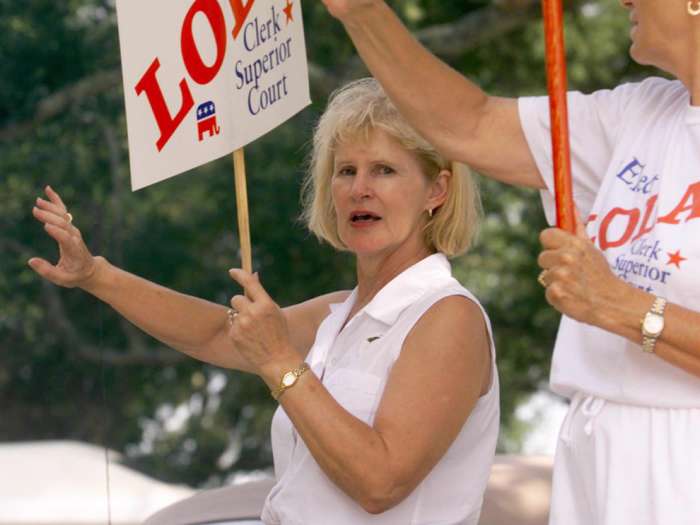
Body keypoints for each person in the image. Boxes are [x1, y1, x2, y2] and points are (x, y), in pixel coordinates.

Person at [29, 78, 499, 525]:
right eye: (345, 170)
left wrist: (278, 360)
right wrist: (95, 275)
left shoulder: (447, 316)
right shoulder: (339, 313)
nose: (360, 188)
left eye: (384, 170)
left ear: (436, 190)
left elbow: (380, 481)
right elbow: (217, 333)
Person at [320, 1, 700, 524]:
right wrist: (362, 13)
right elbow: (470, 125)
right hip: (596, 440)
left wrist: (622, 307)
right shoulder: (639, 112)